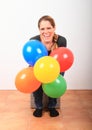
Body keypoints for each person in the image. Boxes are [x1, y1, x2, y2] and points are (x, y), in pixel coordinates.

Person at [30, 15, 67, 117]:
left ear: (54, 28)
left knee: (55, 76)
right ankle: (38, 106)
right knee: (35, 76)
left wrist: (50, 73)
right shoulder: (34, 41)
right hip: (38, 66)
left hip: (55, 67)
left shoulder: (61, 41)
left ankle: (52, 106)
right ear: (39, 30)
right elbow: (33, 62)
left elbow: (61, 62)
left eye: (49, 28)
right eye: (42, 29)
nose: (46, 31)